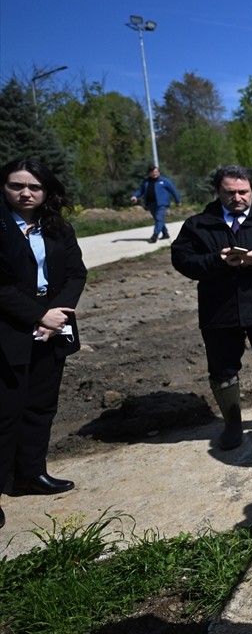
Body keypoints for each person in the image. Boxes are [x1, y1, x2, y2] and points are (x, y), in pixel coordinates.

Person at [170, 165, 252, 450]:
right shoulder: (199, 224)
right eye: (230, 192)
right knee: (223, 369)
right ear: (218, 192)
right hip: (220, 311)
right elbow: (182, 260)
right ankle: (232, 426)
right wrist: (217, 261)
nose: (237, 197)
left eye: (243, 192)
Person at [0, 158, 88, 530]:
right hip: (9, 332)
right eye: (17, 185)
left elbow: (75, 273)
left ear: (46, 191)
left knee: (41, 406)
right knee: (4, 414)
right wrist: (38, 315)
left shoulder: (56, 228)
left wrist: (56, 316)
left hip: (52, 328)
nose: (25, 193)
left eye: (34, 187)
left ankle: (30, 474)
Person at [130, 165, 182, 243]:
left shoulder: (165, 181)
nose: (155, 174)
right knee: (158, 220)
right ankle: (165, 234)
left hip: (162, 204)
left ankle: (154, 236)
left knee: (159, 218)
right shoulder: (146, 182)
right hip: (151, 203)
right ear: (149, 173)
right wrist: (135, 196)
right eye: (153, 172)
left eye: (156, 172)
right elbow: (141, 191)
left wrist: (178, 201)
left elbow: (174, 191)